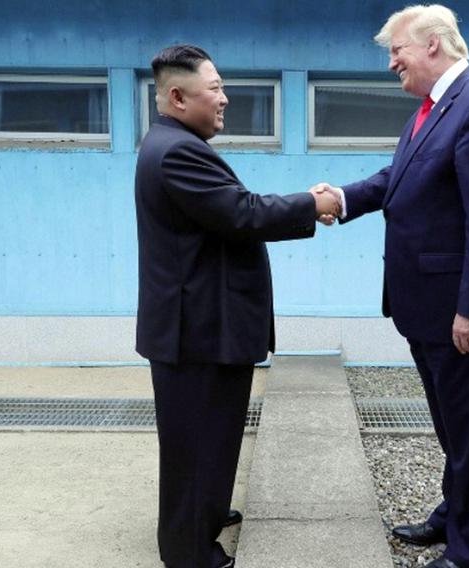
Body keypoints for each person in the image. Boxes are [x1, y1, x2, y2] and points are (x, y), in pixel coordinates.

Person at [315, 5, 469, 568]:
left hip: (462, 313)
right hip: (427, 308)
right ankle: (452, 515)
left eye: (396, 50)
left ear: (433, 44)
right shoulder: (432, 109)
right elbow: (397, 179)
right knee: (452, 427)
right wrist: (343, 197)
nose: (392, 63)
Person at [134, 44, 340, 568]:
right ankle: (187, 551)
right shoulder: (176, 151)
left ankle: (206, 512)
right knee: (194, 445)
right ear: (177, 97)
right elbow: (241, 213)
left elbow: (230, 214)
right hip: (195, 330)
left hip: (206, 324)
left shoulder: (175, 143)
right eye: (215, 89)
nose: (225, 99)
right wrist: (311, 205)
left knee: (215, 433)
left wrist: (300, 203)